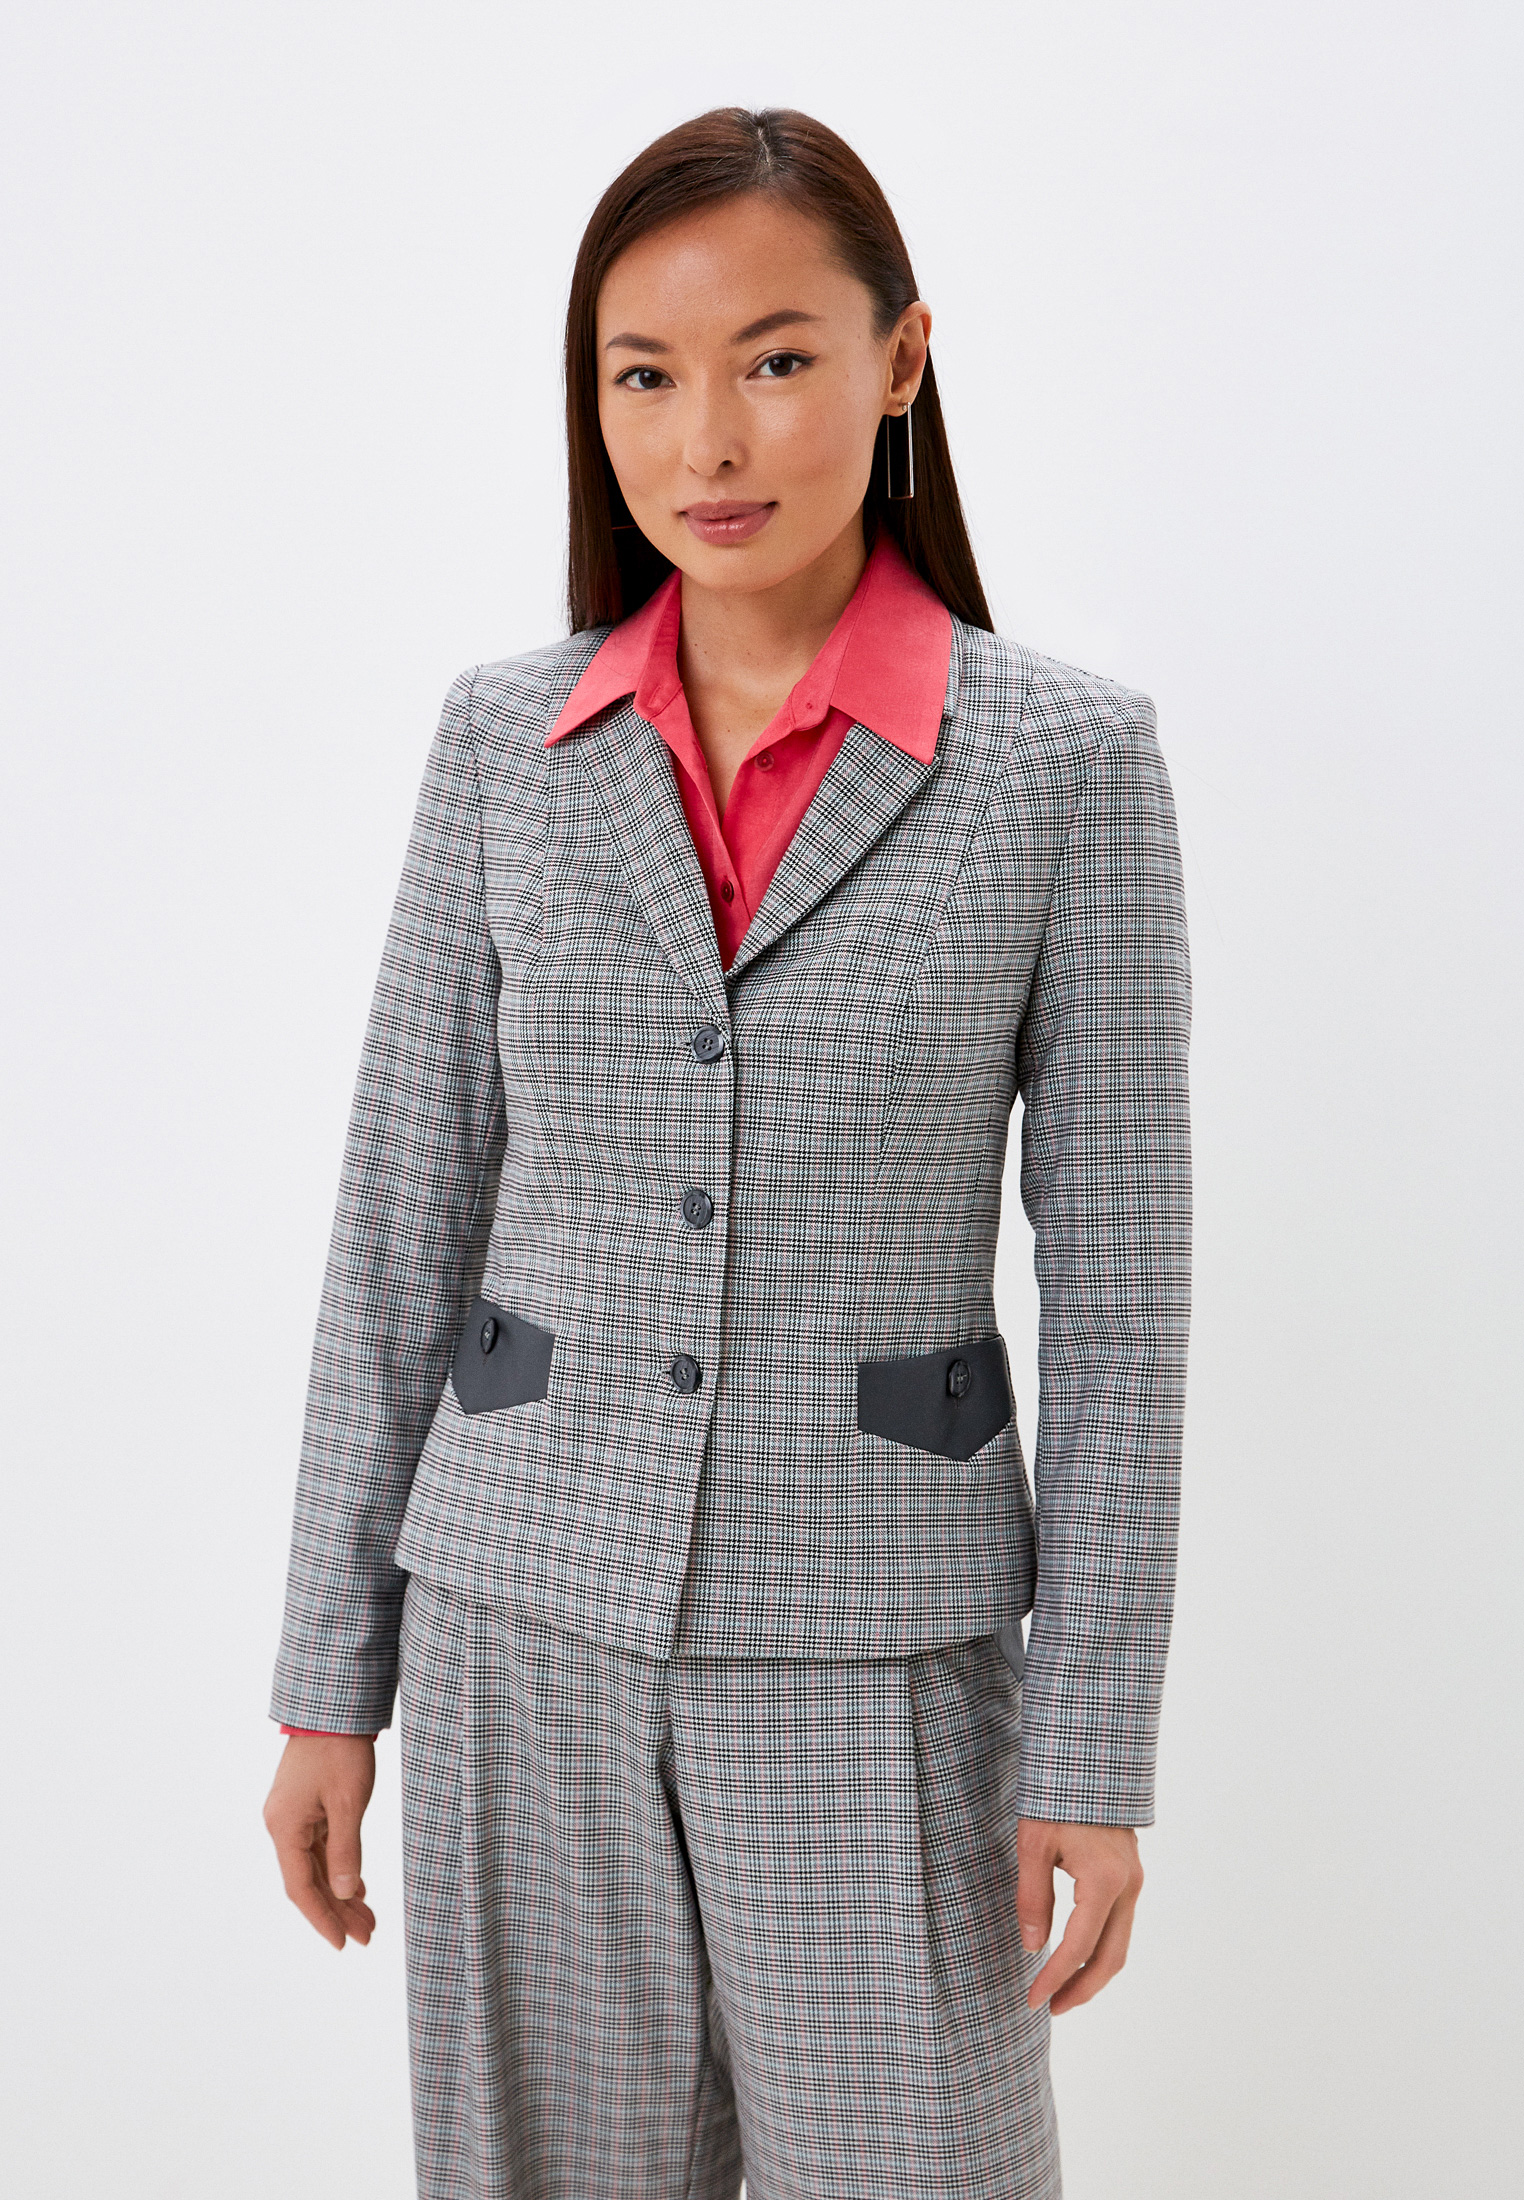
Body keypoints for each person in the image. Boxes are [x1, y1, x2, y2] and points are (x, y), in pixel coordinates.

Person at [263, 104, 1192, 2200]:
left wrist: (1094, 1741)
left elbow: (1125, 1296)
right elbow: (400, 1213)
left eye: (776, 359)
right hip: (519, 1619)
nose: (708, 442)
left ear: (902, 358)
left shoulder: (1066, 762)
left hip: (882, 1649)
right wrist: (330, 1675)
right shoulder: (502, 742)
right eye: (644, 377)